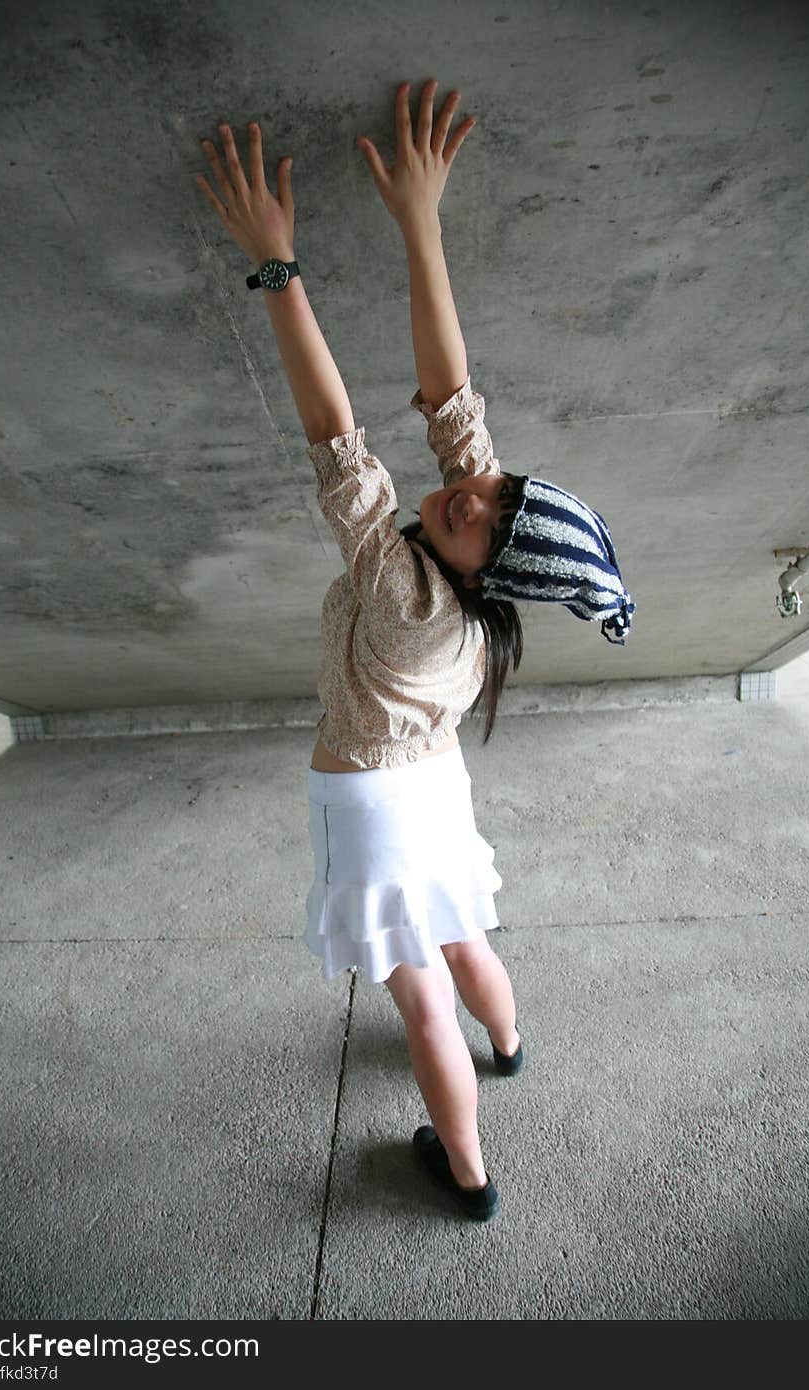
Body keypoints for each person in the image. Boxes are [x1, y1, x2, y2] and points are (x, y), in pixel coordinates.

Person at [197, 79, 634, 1222]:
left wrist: (277, 265)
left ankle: (467, 1169)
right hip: (433, 784)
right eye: (491, 485)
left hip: (373, 812)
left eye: (484, 511)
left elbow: (337, 439)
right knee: (460, 932)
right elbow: (454, 401)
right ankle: (511, 1037)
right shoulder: (486, 592)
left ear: (493, 563)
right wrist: (419, 220)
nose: (467, 490)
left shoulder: (405, 590)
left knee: (417, 991)